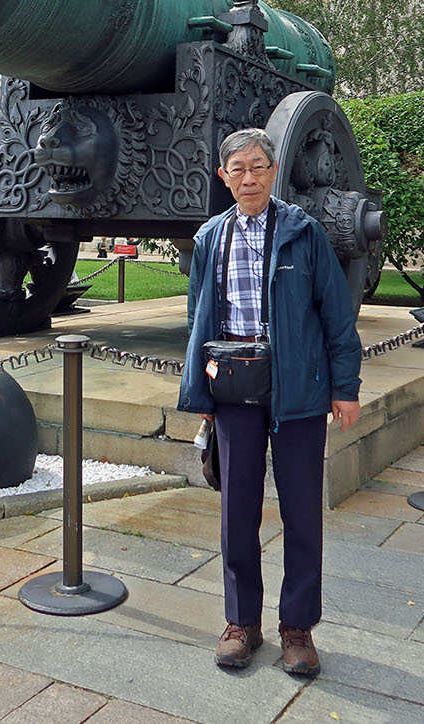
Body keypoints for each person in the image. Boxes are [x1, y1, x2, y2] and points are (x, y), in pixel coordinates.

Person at [178, 127, 362, 678]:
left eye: (258, 166)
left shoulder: (304, 233)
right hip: (235, 385)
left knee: (302, 510)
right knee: (237, 510)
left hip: (297, 386)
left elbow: (336, 315)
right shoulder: (211, 238)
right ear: (224, 177)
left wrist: (345, 387)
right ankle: (241, 623)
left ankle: (297, 627)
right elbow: (198, 317)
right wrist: (202, 390)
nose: (249, 178)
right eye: (238, 169)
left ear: (274, 170)